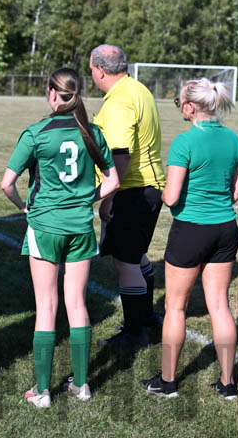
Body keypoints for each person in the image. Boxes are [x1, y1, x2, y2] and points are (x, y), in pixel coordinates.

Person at [0, 68, 120, 408]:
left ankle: (42, 392)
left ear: (53, 94)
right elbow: (113, 182)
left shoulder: (36, 133)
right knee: (78, 304)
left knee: (46, 307)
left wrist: (24, 206)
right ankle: (81, 386)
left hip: (45, 227)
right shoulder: (91, 132)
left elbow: (6, 183)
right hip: (81, 227)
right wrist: (87, 198)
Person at [141, 78, 238, 400]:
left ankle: (168, 381)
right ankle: (228, 384)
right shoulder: (235, 140)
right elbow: (237, 192)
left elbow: (171, 198)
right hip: (226, 229)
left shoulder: (184, 143)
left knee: (175, 307)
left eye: (178, 104)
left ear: (190, 107)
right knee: (220, 306)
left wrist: (158, 190)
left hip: (191, 231)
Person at [88, 44, 166, 348]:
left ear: (100, 70)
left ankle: (135, 332)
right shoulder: (138, 90)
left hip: (134, 189)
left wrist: (107, 197)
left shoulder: (119, 101)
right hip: (147, 187)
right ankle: (146, 317)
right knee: (137, 255)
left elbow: (120, 155)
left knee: (126, 263)